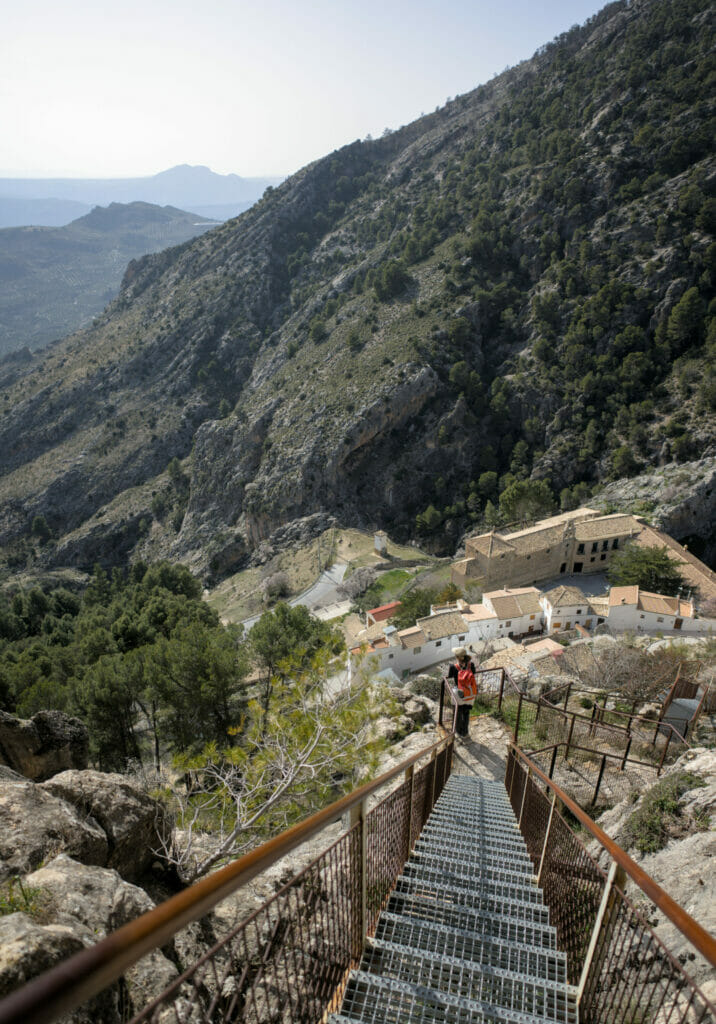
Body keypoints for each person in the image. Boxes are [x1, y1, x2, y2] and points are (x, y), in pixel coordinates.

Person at [448, 646, 477, 736]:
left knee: (458, 712)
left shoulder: (453, 667)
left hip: (459, 694)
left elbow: (450, 676)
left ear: (457, 657)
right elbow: (474, 673)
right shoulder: (471, 665)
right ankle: (465, 731)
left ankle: (458, 731)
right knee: (466, 712)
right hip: (470, 693)